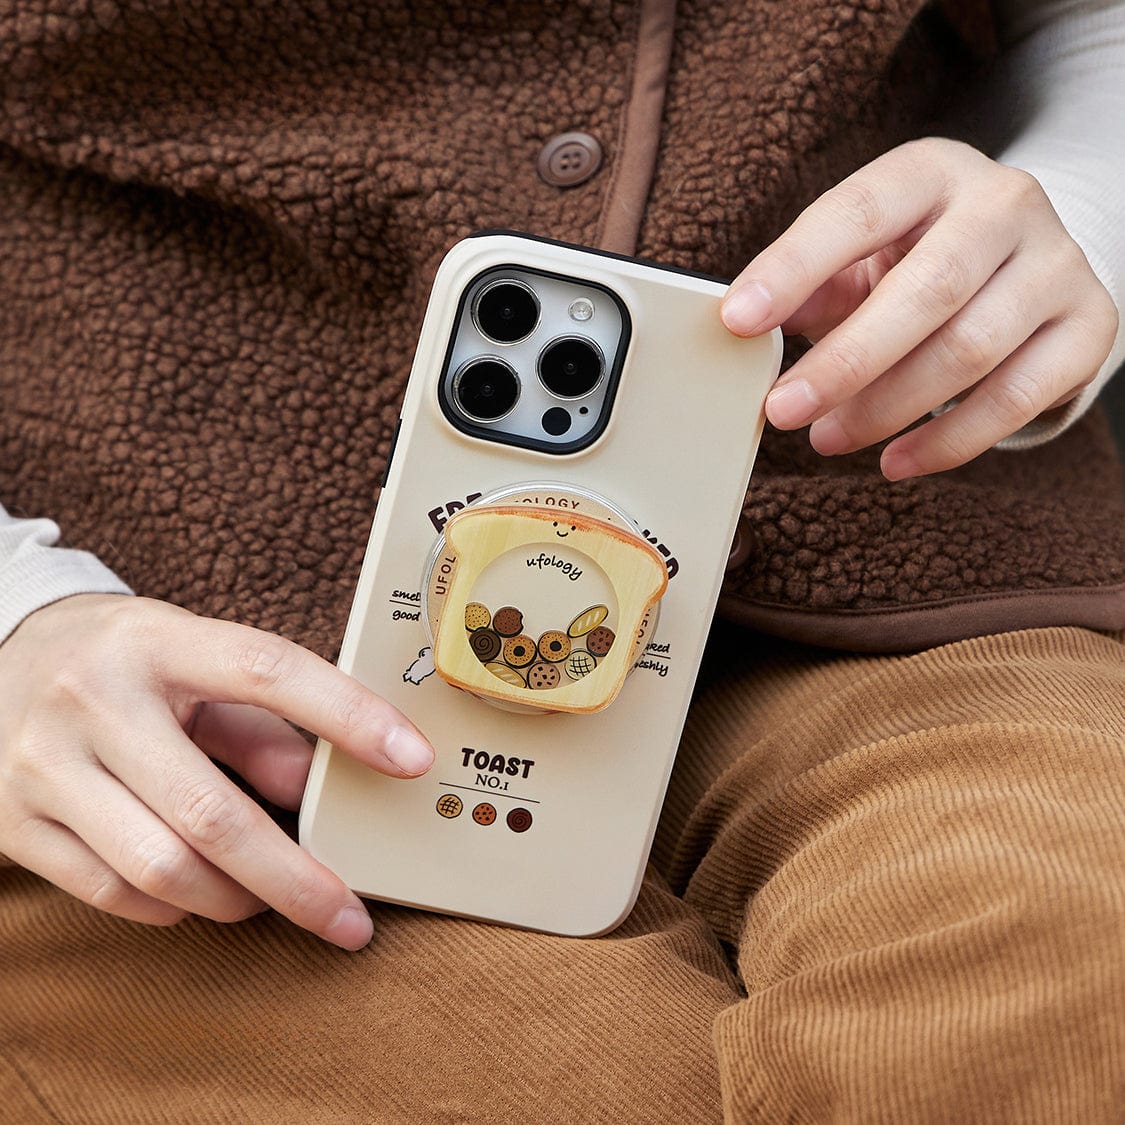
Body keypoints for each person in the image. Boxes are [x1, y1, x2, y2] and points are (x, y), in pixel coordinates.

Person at [0, 0, 1122, 1119]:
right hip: (172, 697)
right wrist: (21, 616)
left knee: (1061, 969)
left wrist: (1068, 222)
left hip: (899, 568)